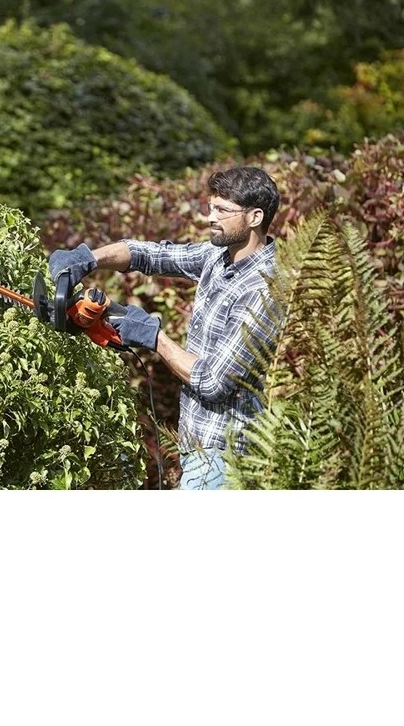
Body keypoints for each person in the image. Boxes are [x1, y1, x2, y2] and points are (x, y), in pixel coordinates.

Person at [48, 166, 282, 490]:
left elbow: (213, 381)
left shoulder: (263, 289)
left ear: (255, 217)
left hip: (224, 454)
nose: (210, 217)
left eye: (222, 210)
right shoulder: (219, 257)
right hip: (197, 443)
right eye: (210, 207)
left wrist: (152, 335)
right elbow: (150, 255)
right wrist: (88, 259)